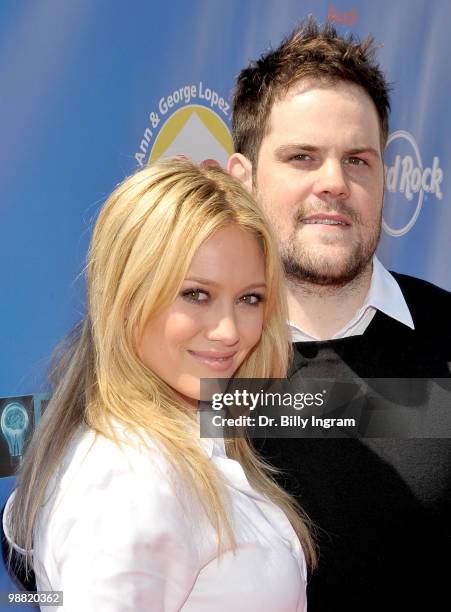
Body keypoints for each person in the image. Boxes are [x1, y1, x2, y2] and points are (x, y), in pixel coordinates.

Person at [3, 157, 316, 611]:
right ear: (128, 295)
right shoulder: (129, 479)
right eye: (196, 295)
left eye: (250, 298)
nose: (229, 331)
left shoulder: (191, 443)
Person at [228, 17, 451, 612]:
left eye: (358, 160)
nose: (335, 183)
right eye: (302, 157)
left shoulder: (446, 332)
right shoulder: (183, 348)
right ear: (241, 180)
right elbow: (46, 533)